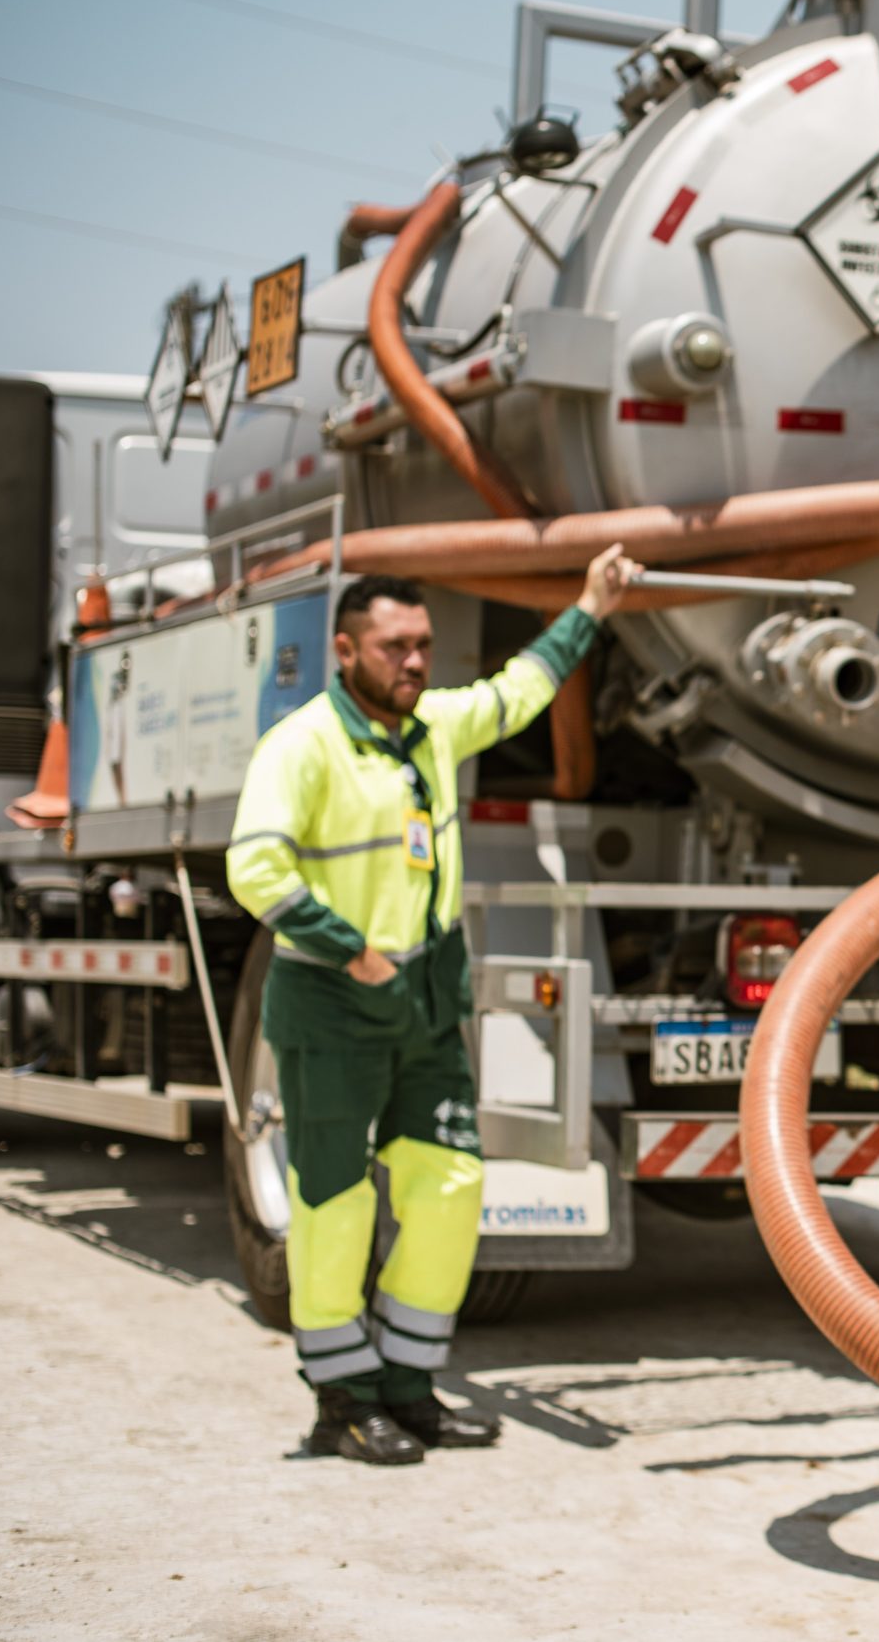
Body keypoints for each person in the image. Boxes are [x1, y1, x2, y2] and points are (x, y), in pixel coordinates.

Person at [228, 546, 643, 1464]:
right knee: (334, 1203)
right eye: (393, 647)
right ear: (345, 651)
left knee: (452, 1186)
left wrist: (589, 607)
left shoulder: (436, 728)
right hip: (334, 1003)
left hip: (423, 1003)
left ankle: (409, 1386)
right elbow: (254, 868)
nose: (414, 662)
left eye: (422, 645)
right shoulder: (301, 747)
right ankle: (340, 1398)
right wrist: (350, 949)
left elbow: (521, 689)